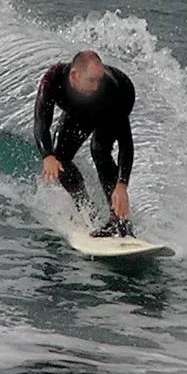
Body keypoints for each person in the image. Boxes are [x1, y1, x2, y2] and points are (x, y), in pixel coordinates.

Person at [33, 50, 137, 237]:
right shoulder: (52, 81)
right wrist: (47, 156)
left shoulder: (107, 88)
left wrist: (122, 185)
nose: (96, 85)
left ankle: (118, 221)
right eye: (91, 80)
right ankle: (87, 209)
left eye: (99, 79)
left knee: (99, 150)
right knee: (60, 159)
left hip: (119, 97)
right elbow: (41, 121)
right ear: (75, 75)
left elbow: (126, 143)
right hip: (78, 107)